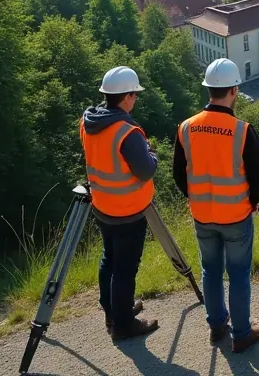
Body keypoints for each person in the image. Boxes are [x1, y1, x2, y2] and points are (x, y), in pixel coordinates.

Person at [174, 58, 259, 353]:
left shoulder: (186, 128)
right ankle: (241, 333)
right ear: (235, 90)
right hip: (237, 216)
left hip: (202, 215)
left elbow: (179, 174)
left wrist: (196, 198)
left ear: (208, 90)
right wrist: (251, 203)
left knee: (210, 270)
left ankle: (216, 326)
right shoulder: (242, 130)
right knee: (238, 273)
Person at [80, 66, 159, 340]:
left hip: (102, 206)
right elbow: (146, 170)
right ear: (126, 96)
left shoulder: (88, 123)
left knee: (109, 260)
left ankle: (113, 312)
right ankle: (124, 326)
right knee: (125, 269)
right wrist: (153, 155)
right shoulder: (127, 132)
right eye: (134, 95)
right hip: (128, 211)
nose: (135, 99)